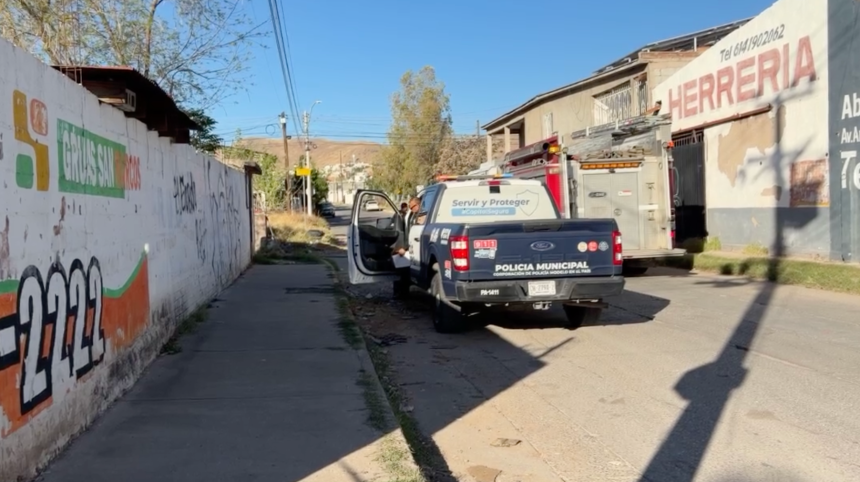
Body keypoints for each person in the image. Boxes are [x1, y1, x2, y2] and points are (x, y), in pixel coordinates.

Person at [392, 197, 420, 298]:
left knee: (404, 271)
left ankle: (403, 293)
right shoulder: (411, 215)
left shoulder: (420, 215)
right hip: (409, 248)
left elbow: (413, 234)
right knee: (402, 270)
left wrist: (405, 247)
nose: (411, 209)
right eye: (409, 207)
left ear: (418, 205)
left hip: (413, 247)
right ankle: (401, 293)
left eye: (412, 207)